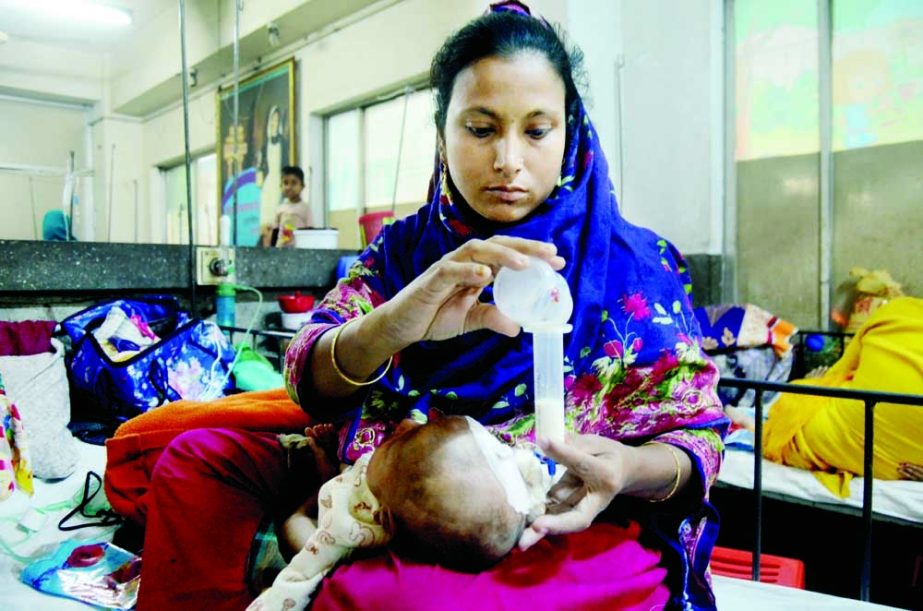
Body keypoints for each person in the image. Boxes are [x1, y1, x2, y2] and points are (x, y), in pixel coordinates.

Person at [104, 3, 727, 610]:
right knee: (194, 463)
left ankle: (322, 561)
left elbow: (695, 436)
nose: (508, 159)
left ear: (571, 133)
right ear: (443, 132)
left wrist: (630, 466)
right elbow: (309, 378)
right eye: (480, 129)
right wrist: (391, 325)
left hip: (552, 511)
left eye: (537, 130)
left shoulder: (633, 265)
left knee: (394, 596)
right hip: (385, 473)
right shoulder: (406, 251)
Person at [251, 413, 557, 610]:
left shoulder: (362, 524)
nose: (404, 428)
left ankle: (322, 478)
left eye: (395, 443)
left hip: (332, 533)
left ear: (382, 516)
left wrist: (326, 485)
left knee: (297, 525)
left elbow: (311, 554)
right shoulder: (414, 491)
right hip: (360, 491)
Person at [763, 296, 923, 496]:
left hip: (827, 438)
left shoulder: (898, 310)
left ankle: (754, 422)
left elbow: (839, 372)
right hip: (900, 464)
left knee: (799, 403)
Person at [260, 165, 313, 247]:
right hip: (282, 248)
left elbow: (310, 231)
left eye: (294, 183)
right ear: (281, 186)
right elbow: (275, 230)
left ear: (302, 186)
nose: (289, 187)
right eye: (285, 183)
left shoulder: (305, 209)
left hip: (299, 249)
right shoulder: (280, 209)